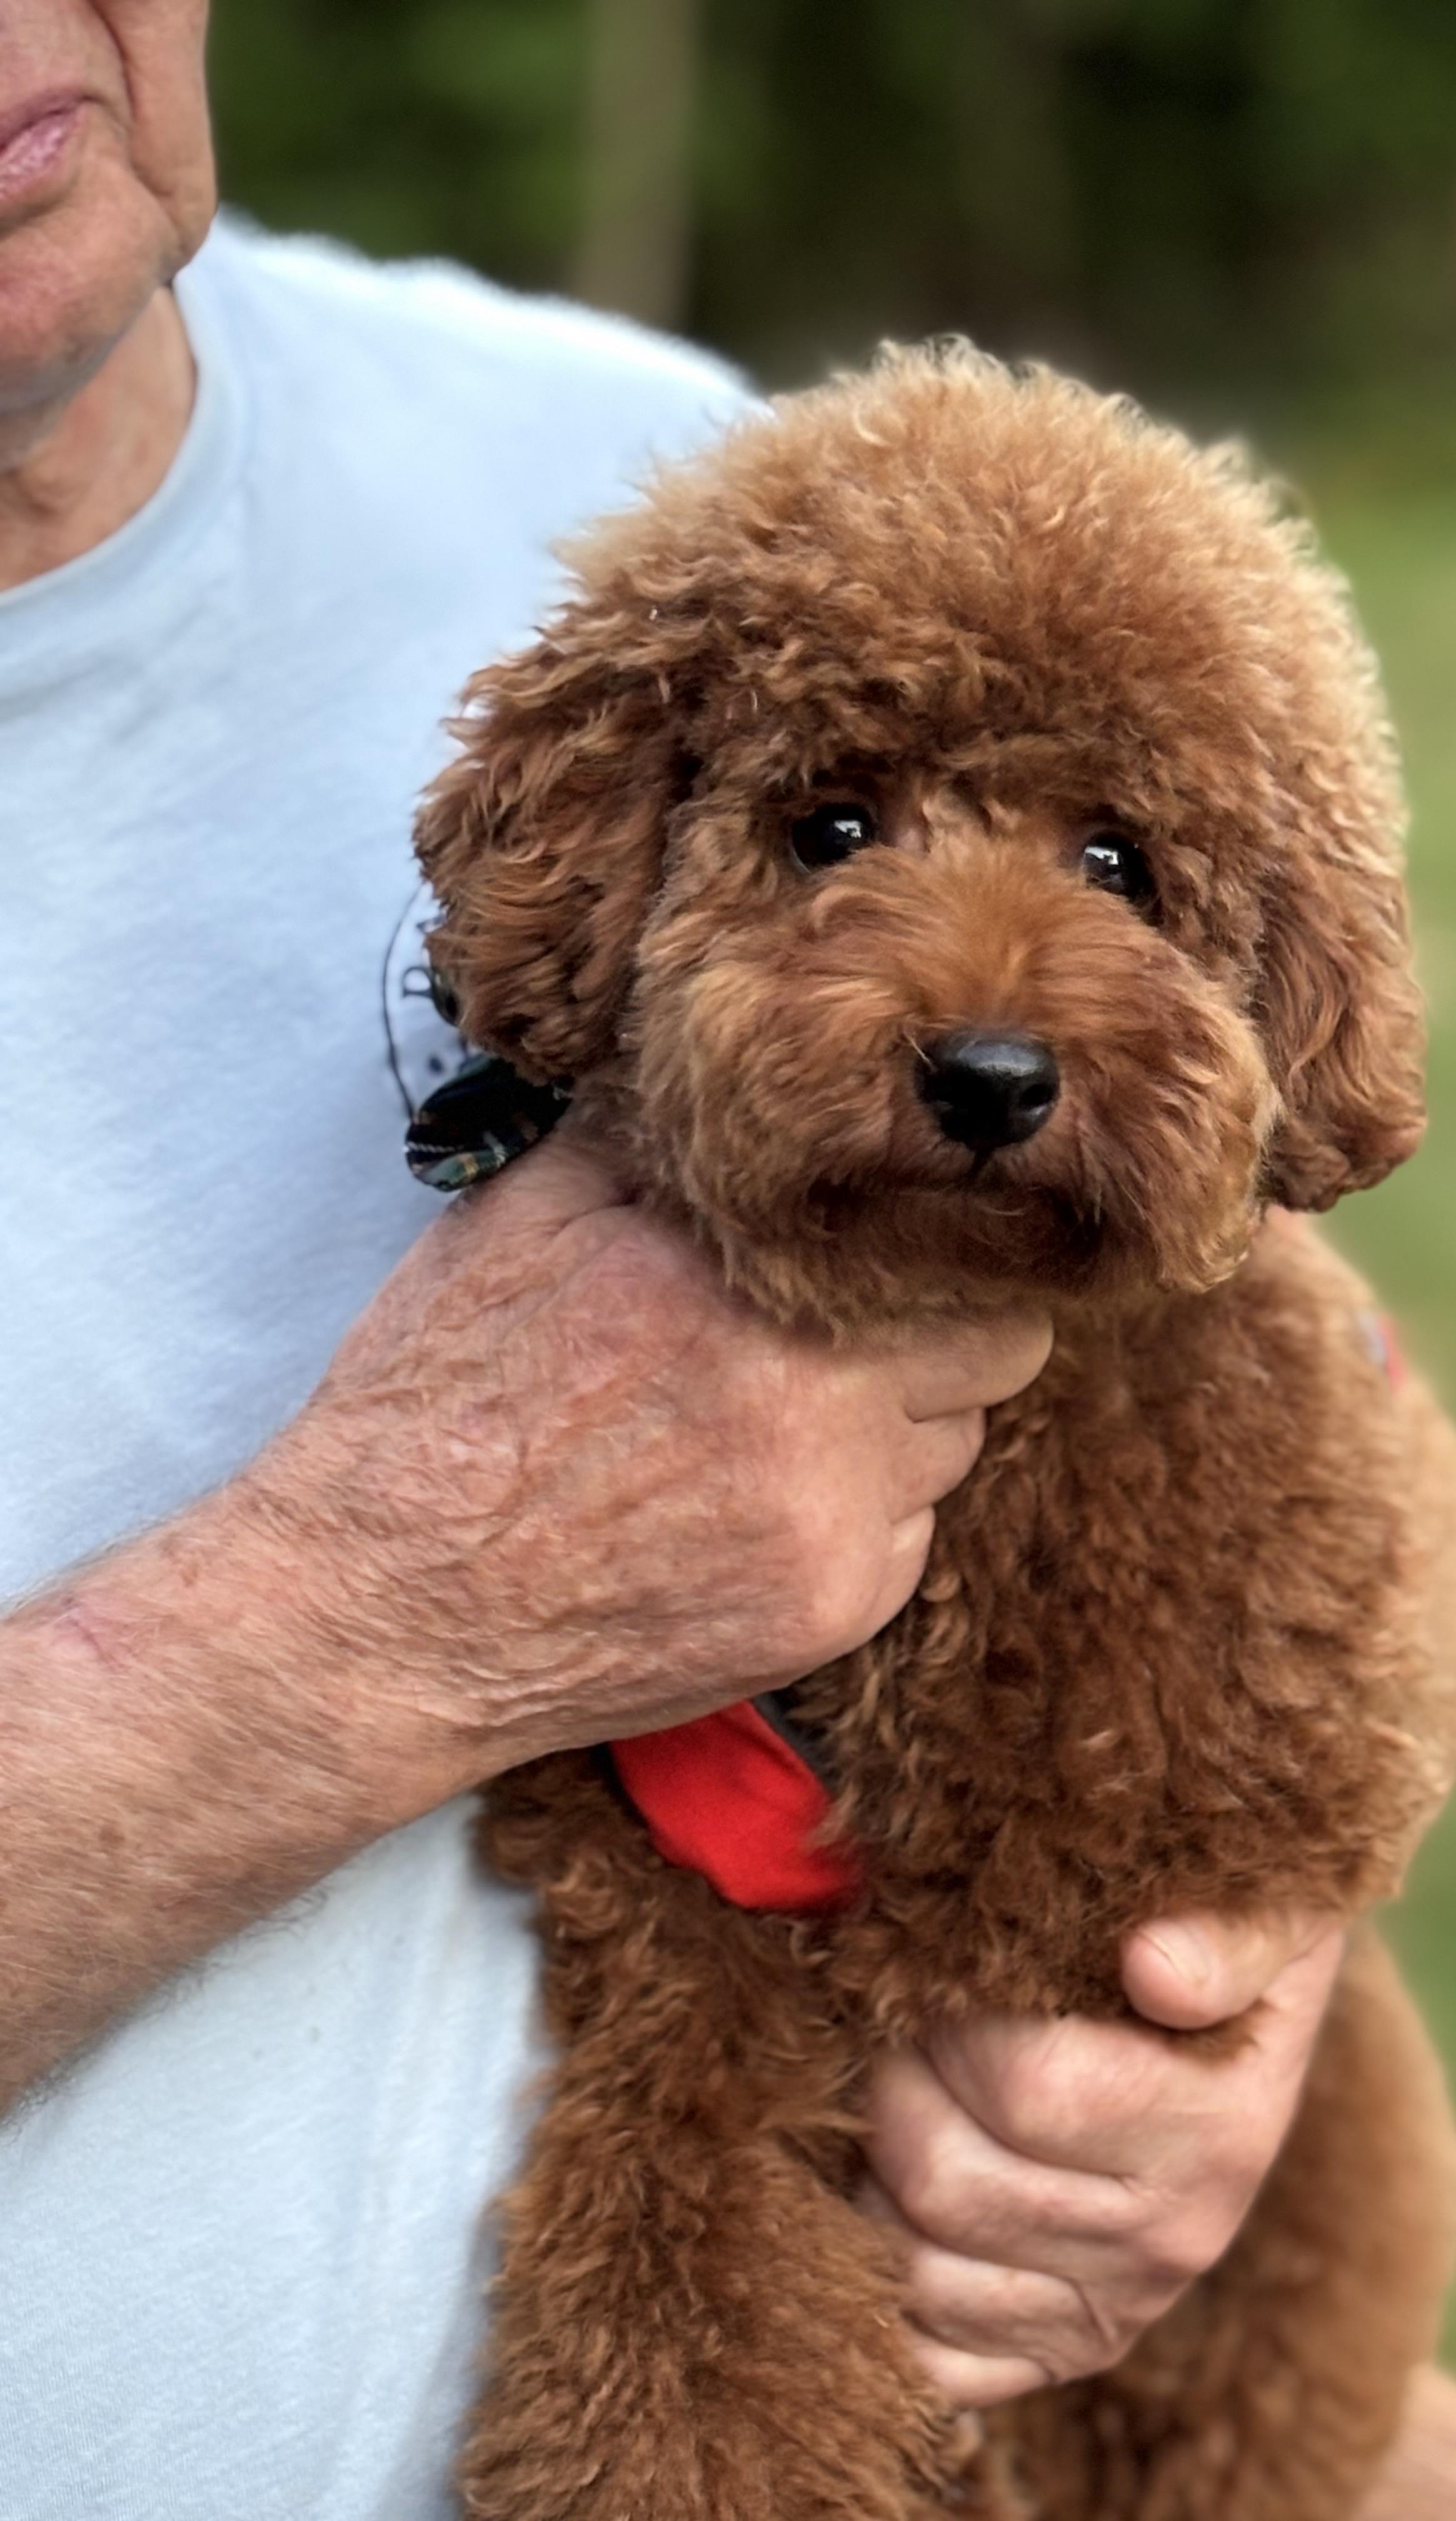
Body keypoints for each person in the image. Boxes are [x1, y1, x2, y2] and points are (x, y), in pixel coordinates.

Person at [0, 8, 1343, 2511]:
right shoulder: (657, 659)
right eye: (837, 835)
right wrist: (361, 1612)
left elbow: (1282, 1359)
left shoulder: (646, 464)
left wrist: (1219, 1979)